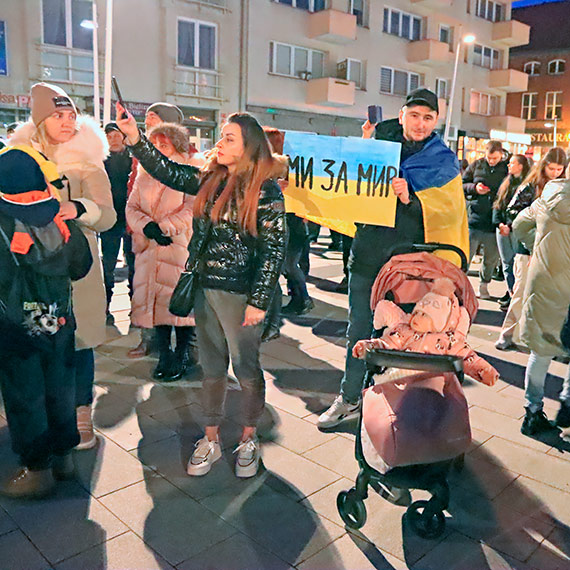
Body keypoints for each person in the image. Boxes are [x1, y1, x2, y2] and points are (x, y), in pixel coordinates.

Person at [116, 106, 287, 478]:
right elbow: (169, 171)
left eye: (229, 138)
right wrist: (135, 140)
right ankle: (210, 439)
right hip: (205, 289)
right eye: (221, 137)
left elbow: (274, 249)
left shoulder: (265, 188)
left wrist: (259, 301)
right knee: (211, 370)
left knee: (246, 370)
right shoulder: (210, 178)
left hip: (242, 297)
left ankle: (247, 438)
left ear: (248, 146)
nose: (219, 144)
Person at [317, 87, 469, 429]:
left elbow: (448, 214)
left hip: (408, 267)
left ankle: (395, 407)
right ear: (401, 116)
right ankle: (351, 398)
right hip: (368, 255)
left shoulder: (442, 160)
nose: (420, 123)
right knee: (358, 331)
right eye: (414, 115)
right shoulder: (375, 147)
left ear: (436, 122)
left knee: (403, 336)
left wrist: (410, 199)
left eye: (428, 118)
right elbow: (342, 186)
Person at [11, 83, 116, 450]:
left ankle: (81, 410)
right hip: (29, 269)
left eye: (72, 115)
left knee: (79, 342)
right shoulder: (17, 158)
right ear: (41, 119)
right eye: (59, 115)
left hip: (76, 267)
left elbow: (108, 217)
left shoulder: (87, 161)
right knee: (34, 339)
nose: (68, 122)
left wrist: (80, 208)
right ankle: (39, 414)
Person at [0, 146, 92, 498]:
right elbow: (81, 267)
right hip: (59, 320)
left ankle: (37, 470)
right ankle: (63, 458)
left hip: (15, 328)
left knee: (25, 395)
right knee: (60, 388)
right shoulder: (61, 217)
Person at [128, 101, 203, 358]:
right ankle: (163, 354)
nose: (158, 150)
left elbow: (193, 208)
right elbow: (132, 205)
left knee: (180, 307)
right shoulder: (144, 171)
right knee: (155, 303)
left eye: (164, 145)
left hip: (177, 246)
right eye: (154, 145)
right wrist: (146, 227)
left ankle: (184, 354)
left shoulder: (192, 167)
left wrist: (163, 227)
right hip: (149, 247)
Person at [513, 177, 570, 435]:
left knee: (541, 349)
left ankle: (532, 411)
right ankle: (567, 402)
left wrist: (539, 244)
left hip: (546, 278)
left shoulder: (548, 195)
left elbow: (519, 225)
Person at [495, 148, 567, 351]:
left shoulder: (563, 188)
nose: (554, 173)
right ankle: (507, 334)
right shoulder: (531, 186)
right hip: (528, 250)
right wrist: (531, 242)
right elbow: (514, 214)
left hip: (554, 251)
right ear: (543, 166)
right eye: (551, 168)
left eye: (559, 169)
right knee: (520, 293)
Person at [462, 140, 508, 300]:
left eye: (495, 158)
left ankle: (484, 286)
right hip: (475, 218)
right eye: (489, 158)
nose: (492, 161)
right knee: (466, 255)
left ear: (501, 154)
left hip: (493, 221)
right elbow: (462, 183)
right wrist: (474, 188)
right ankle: (461, 286)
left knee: (491, 258)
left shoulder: (506, 168)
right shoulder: (477, 165)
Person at [101, 122, 135, 323]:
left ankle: (135, 308)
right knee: (108, 264)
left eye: (116, 135)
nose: (113, 139)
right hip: (109, 219)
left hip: (131, 219)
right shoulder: (100, 161)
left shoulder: (134, 160)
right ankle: (105, 307)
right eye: (109, 136)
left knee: (134, 266)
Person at [492, 154, 530, 307]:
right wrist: (499, 224)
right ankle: (511, 291)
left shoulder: (527, 186)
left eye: (512, 163)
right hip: (502, 228)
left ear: (521, 166)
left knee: (517, 262)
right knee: (507, 262)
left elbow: (523, 209)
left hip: (516, 228)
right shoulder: (506, 182)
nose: (509, 165)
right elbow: (498, 203)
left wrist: (509, 224)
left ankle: (516, 294)